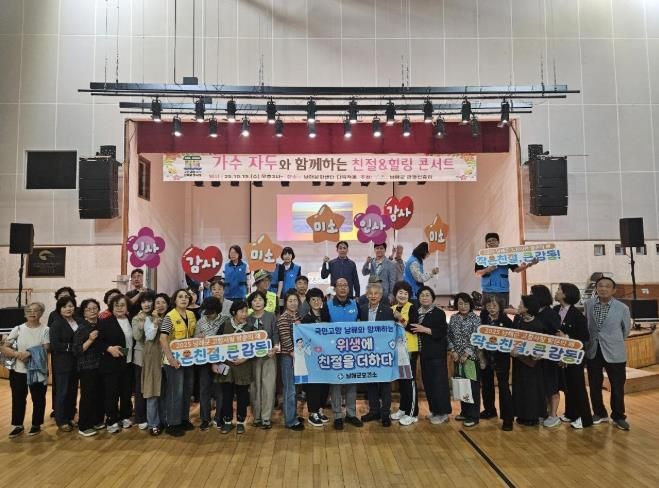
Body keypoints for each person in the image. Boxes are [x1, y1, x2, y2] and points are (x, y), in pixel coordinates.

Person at [585, 277, 631, 431]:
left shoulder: (622, 308)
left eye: (607, 286)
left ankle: (618, 416)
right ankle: (599, 413)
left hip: (614, 351)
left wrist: (613, 341)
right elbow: (588, 325)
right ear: (596, 288)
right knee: (594, 384)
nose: (603, 288)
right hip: (593, 349)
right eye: (600, 286)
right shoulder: (588, 304)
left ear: (613, 290)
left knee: (617, 385)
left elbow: (626, 330)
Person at [2, 302, 49, 438]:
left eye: (36, 310)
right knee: (18, 398)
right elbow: (5, 347)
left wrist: (29, 353)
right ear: (25, 314)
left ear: (41, 313)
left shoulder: (46, 329)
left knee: (38, 399)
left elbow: (47, 348)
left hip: (37, 371)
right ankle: (18, 425)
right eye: (29, 311)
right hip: (18, 370)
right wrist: (17, 354)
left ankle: (36, 424)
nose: (32, 313)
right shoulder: (18, 329)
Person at [410, 286, 452, 425]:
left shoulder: (438, 313)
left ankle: (443, 413)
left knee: (439, 383)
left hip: (437, 353)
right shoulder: (416, 312)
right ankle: (434, 410)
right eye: (422, 295)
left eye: (427, 295)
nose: (424, 297)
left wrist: (424, 329)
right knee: (428, 383)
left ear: (432, 297)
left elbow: (441, 332)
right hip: (423, 353)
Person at [325, 278, 363, 430]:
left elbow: (362, 325)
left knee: (352, 382)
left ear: (349, 288)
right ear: (335, 288)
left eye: (345, 285)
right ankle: (337, 416)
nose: (342, 288)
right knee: (335, 383)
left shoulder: (355, 304)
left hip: (352, 350)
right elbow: (322, 328)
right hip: (334, 351)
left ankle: (351, 414)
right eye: (339, 285)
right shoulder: (327, 305)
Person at [554, 283, 592, 429]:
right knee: (568, 385)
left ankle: (585, 418)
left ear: (565, 294)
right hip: (560, 355)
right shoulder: (556, 309)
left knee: (578, 386)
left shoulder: (577, 315)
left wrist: (567, 337)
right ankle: (571, 413)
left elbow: (584, 338)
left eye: (559, 290)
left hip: (574, 356)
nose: (556, 292)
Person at [214, 300, 256, 434]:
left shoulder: (251, 327)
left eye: (246, 311)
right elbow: (215, 345)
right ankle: (227, 421)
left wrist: (244, 358)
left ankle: (240, 422)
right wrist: (215, 363)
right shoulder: (225, 325)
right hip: (226, 366)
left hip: (244, 366)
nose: (245, 314)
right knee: (227, 394)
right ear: (233, 312)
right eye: (241, 311)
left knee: (242, 395)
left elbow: (255, 347)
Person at [159, 289, 197, 436]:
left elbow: (192, 336)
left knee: (187, 390)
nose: (184, 299)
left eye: (186, 297)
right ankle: (172, 423)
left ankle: (183, 419)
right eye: (180, 297)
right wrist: (171, 359)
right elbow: (163, 338)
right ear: (174, 300)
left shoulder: (191, 315)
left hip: (188, 359)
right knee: (175, 392)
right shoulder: (169, 317)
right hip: (173, 361)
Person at [358, 282, 395, 427]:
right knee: (371, 383)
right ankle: (374, 411)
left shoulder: (388, 310)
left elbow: (395, 329)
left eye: (376, 293)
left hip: (384, 352)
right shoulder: (361, 309)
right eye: (370, 293)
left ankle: (385, 414)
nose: (373, 296)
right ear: (366, 295)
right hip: (367, 352)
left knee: (385, 384)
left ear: (380, 296)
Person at [97, 294, 134, 434]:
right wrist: (109, 348)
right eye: (116, 305)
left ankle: (125, 416)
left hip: (129, 362)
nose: (119, 308)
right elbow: (98, 342)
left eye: (122, 305)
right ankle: (111, 419)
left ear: (127, 307)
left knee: (126, 391)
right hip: (111, 363)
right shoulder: (105, 322)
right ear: (111, 307)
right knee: (111, 393)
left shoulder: (131, 320)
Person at [479, 295, 514, 430]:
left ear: (500, 307)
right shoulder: (483, 318)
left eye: (494, 305)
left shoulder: (506, 321)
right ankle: (489, 410)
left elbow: (511, 341)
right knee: (486, 385)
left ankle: (507, 419)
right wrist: (481, 356)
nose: (491, 308)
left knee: (504, 387)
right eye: (488, 305)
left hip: (501, 358)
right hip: (487, 357)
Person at [474, 233, 537, 307]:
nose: (491, 242)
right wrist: (487, 270)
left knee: (503, 311)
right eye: (489, 241)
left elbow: (516, 269)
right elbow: (477, 273)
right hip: (487, 290)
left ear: (498, 242)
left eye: (494, 240)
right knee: (486, 312)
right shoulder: (481, 256)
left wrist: (529, 265)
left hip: (503, 291)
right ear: (486, 243)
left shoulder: (506, 255)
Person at [448, 293, 482, 428]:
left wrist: (466, 354)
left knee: (472, 387)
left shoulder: (476, 319)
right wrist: (453, 351)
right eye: (460, 303)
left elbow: (477, 338)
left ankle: (474, 416)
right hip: (457, 357)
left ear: (470, 304)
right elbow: (449, 336)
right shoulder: (453, 318)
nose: (463, 306)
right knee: (462, 385)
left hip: (471, 359)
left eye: (466, 304)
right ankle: (465, 411)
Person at [511, 295, 546, 426]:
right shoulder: (518, 320)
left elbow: (541, 345)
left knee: (531, 389)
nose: (519, 306)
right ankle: (521, 414)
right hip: (518, 360)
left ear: (527, 308)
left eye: (521, 304)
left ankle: (533, 416)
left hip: (532, 363)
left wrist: (538, 355)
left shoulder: (537, 324)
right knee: (519, 387)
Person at [195, 296, 229, 431]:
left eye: (211, 313)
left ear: (217, 311)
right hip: (204, 360)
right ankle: (205, 419)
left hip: (220, 360)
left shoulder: (225, 319)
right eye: (206, 312)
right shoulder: (201, 321)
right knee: (204, 390)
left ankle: (219, 417)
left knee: (219, 390)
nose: (208, 315)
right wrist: (198, 338)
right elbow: (194, 339)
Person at [531, 284, 562, 428]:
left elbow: (556, 335)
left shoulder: (551, 314)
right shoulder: (535, 312)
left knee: (552, 386)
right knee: (542, 386)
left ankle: (553, 415)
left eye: (532, 293)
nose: (530, 296)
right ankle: (545, 412)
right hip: (537, 356)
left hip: (550, 356)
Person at [73, 298, 105, 437]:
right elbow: (77, 350)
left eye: (95, 308)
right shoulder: (82, 328)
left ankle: (97, 420)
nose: (92, 311)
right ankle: (84, 425)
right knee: (88, 395)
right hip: (87, 366)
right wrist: (90, 339)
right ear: (84, 313)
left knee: (99, 394)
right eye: (88, 309)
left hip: (101, 365)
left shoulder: (101, 324)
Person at [247, 291, 279, 429]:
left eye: (260, 299)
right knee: (254, 387)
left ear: (264, 302)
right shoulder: (248, 318)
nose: (257, 302)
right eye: (254, 300)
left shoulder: (271, 316)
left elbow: (276, 333)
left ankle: (266, 417)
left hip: (269, 356)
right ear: (250, 303)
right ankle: (257, 416)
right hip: (252, 358)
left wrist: (275, 347)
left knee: (268, 386)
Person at [390, 281, 420, 425]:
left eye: (406, 293)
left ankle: (413, 413)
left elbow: (413, 328)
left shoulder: (412, 307)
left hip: (409, 349)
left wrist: (400, 318)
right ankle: (403, 408)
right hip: (396, 350)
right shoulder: (392, 308)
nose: (402, 295)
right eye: (400, 292)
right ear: (395, 294)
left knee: (410, 381)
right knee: (402, 381)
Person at [49, 295, 81, 432]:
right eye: (64, 306)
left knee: (72, 392)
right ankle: (61, 420)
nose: (68, 309)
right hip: (63, 363)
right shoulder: (57, 323)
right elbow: (55, 345)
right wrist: (72, 347)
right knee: (62, 392)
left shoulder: (78, 321)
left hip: (77, 362)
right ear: (59, 309)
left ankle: (70, 417)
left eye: (71, 306)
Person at [300, 288, 330, 427]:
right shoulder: (306, 319)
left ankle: (320, 410)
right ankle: (313, 413)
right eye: (313, 299)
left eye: (318, 299)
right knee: (313, 386)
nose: (316, 301)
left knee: (325, 384)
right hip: (312, 358)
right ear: (308, 302)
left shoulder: (327, 315)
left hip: (326, 357)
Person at [276, 290, 305, 431]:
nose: (293, 303)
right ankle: (290, 421)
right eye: (290, 301)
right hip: (289, 357)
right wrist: (294, 354)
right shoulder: (284, 318)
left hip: (297, 356)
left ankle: (293, 414)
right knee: (289, 389)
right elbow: (285, 338)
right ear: (285, 303)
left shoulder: (297, 316)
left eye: (295, 301)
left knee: (295, 388)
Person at [142, 292, 170, 436]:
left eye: (163, 302)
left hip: (168, 358)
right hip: (153, 358)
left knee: (165, 392)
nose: (160, 305)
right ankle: (153, 423)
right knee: (152, 391)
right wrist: (155, 322)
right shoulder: (148, 319)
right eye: (157, 302)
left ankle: (165, 420)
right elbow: (150, 336)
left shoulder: (171, 318)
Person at [131, 291, 156, 430]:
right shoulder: (136, 318)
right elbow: (137, 337)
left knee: (153, 386)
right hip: (141, 356)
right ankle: (140, 417)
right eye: (143, 302)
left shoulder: (156, 316)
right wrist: (141, 322)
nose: (146, 304)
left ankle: (153, 416)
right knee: (140, 387)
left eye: (149, 301)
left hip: (155, 356)